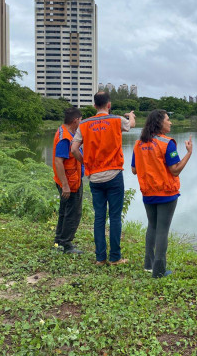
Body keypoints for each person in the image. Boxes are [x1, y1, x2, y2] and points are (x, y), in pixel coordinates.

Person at [71, 91, 135, 266]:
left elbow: (74, 149)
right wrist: (130, 116)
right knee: (114, 217)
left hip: (95, 177)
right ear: (109, 105)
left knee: (99, 217)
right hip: (114, 174)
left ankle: (100, 258)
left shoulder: (83, 124)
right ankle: (115, 257)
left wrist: (86, 163)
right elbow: (131, 125)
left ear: (94, 106)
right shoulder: (116, 120)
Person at [131, 110, 192, 278]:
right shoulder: (167, 143)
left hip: (148, 192)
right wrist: (189, 153)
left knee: (152, 226)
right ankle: (158, 271)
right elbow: (175, 170)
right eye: (168, 120)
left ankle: (148, 265)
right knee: (163, 230)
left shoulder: (139, 144)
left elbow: (134, 169)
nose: (170, 123)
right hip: (166, 193)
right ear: (159, 123)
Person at [52, 107, 84, 254]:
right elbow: (59, 161)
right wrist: (65, 185)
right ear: (76, 120)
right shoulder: (65, 137)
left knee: (65, 211)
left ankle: (59, 241)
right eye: (81, 120)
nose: (81, 122)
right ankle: (66, 244)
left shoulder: (65, 132)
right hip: (70, 182)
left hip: (70, 180)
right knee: (73, 213)